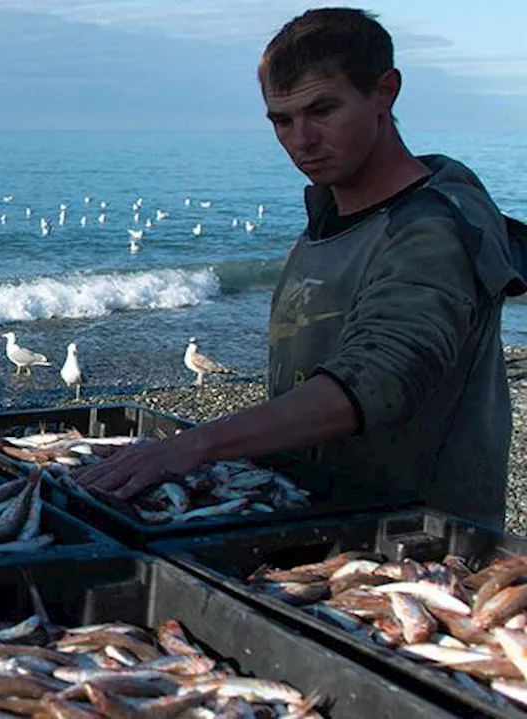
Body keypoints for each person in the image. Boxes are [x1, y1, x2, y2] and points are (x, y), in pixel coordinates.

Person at [77, 8, 525, 529]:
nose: (301, 140)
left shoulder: (432, 230)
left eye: (323, 109)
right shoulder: (330, 220)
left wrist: (194, 445)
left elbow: (381, 377)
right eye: (281, 120)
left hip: (418, 538)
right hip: (314, 514)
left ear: (385, 91)